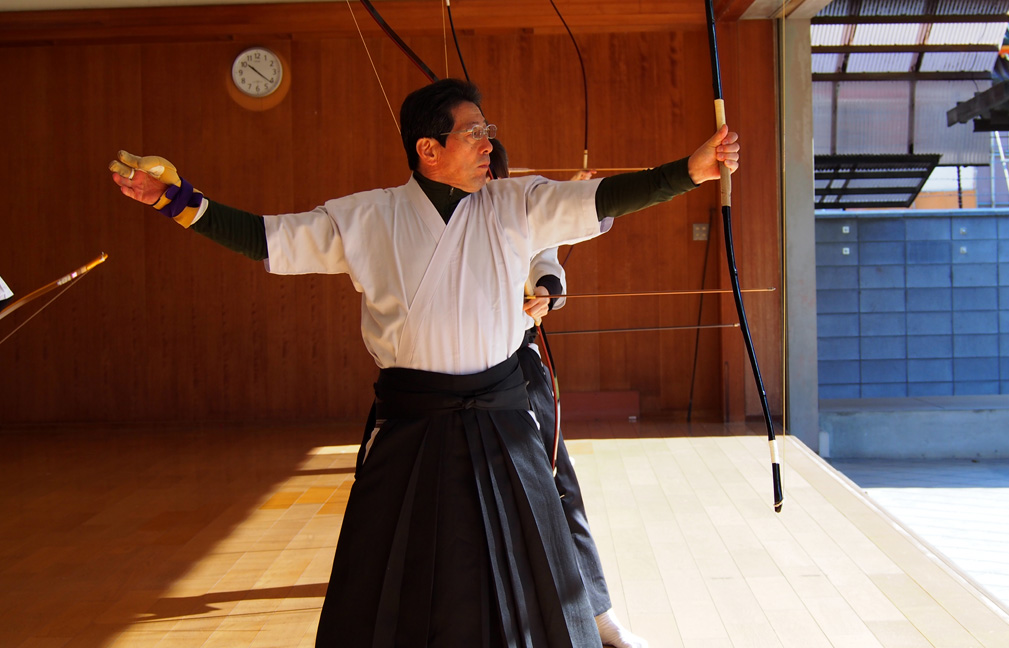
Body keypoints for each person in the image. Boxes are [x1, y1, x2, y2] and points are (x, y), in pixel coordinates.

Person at [109, 78, 739, 647]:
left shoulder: (516, 204)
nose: (488, 143)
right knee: (400, 570)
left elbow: (606, 197)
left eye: (487, 130)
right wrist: (175, 200)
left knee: (531, 563)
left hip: (502, 417)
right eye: (473, 132)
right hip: (414, 422)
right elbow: (265, 238)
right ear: (428, 149)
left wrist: (690, 171)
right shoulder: (367, 217)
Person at [489, 139, 647, 648]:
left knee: (558, 483)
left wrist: (546, 292)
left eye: (492, 174)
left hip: (517, 360)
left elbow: (546, 263)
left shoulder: (517, 207)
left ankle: (597, 613)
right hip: (448, 378)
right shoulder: (434, 221)